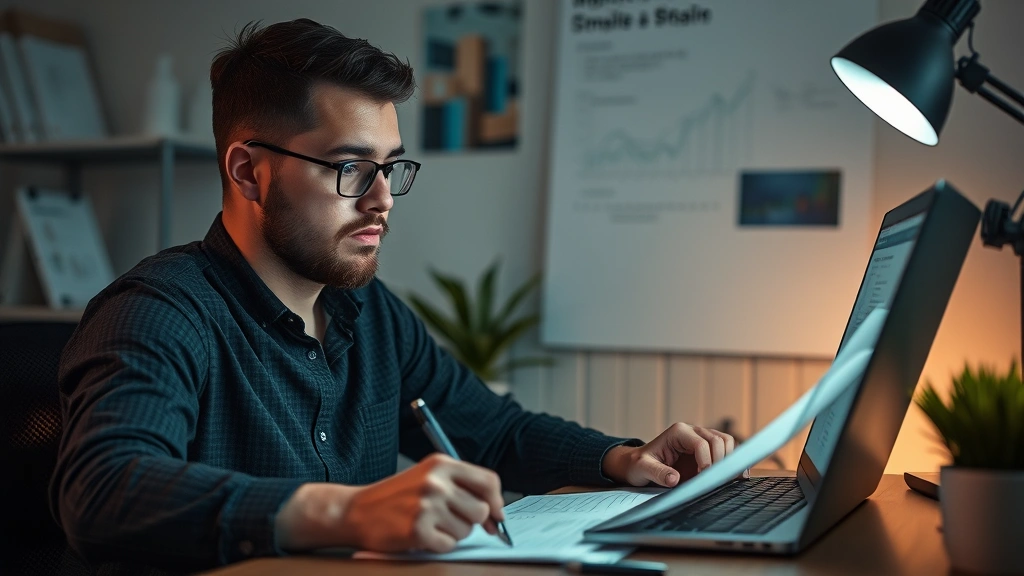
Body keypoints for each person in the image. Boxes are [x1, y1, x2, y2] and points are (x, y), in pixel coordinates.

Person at [50, 18, 737, 572]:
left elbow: (492, 429)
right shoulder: (156, 312)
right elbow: (103, 490)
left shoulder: (369, 313)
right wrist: (347, 512)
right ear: (248, 172)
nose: (382, 200)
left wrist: (621, 457)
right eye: (351, 168)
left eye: (390, 168)